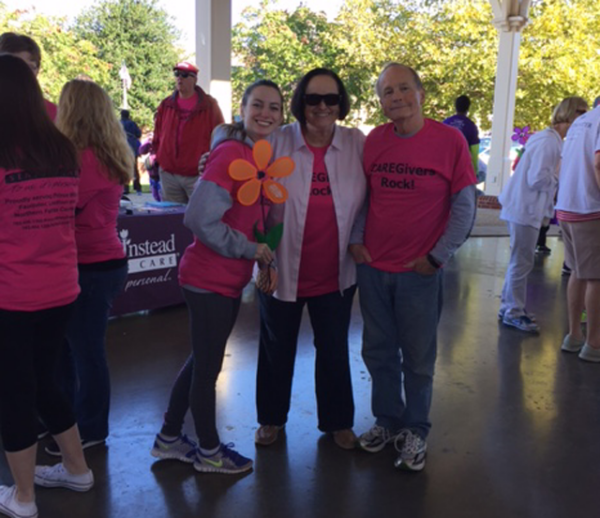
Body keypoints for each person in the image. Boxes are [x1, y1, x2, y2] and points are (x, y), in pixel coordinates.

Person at [151, 79, 283, 474]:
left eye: (274, 107)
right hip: (208, 280)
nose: (266, 113)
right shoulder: (231, 155)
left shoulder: (254, 156)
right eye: (257, 104)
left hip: (224, 279)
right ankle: (209, 451)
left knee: (200, 361)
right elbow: (197, 217)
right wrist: (249, 250)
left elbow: (246, 218)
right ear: (242, 109)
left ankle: (169, 437)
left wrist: (261, 258)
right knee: (207, 370)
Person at [349, 63, 476, 471]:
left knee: (418, 358)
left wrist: (438, 256)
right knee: (378, 351)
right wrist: (356, 239)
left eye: (404, 88)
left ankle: (415, 430)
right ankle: (387, 421)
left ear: (421, 93)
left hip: (419, 273)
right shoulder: (374, 141)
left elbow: (464, 206)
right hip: (373, 268)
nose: (396, 97)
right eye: (387, 92)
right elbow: (364, 198)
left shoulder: (449, 141)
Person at [0, 54, 93, 518]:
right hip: (59, 290)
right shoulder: (61, 150)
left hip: (12, 296)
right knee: (45, 382)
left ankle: (22, 497)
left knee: (14, 393)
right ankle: (76, 470)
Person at [254, 68, 366, 450]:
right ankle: (270, 419)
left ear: (341, 104)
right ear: (300, 102)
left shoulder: (357, 144)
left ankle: (338, 421)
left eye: (330, 99)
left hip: (335, 272)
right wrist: (213, 153)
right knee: (275, 348)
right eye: (313, 98)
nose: (321, 107)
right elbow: (234, 145)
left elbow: (375, 197)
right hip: (280, 268)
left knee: (334, 349)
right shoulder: (277, 140)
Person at [41, 80, 133, 457]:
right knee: (69, 349)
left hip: (90, 268)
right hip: (96, 263)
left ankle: (90, 427)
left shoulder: (86, 159)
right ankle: (68, 423)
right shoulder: (106, 152)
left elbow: (57, 207)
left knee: (84, 352)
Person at [498, 97, 588, 333]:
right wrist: (560, 180)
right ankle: (513, 312)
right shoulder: (550, 143)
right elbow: (537, 178)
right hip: (524, 209)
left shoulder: (548, 139)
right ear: (572, 115)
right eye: (582, 113)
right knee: (522, 262)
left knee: (519, 261)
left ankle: (509, 306)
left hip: (521, 207)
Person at [555, 104, 600, 362]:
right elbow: (599, 162)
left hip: (567, 207)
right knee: (596, 277)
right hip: (590, 208)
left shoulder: (579, 124)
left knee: (577, 273)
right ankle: (594, 343)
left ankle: (573, 335)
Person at [152, 61, 224, 203]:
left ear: (195, 79)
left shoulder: (209, 106)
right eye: (177, 74)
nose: (180, 78)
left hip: (197, 175)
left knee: (198, 219)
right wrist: (157, 158)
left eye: (185, 75)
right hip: (169, 174)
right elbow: (158, 135)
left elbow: (221, 136)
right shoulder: (166, 105)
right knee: (170, 220)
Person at [0, 32, 56, 120]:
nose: (22, 73)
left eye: (29, 68)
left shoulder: (52, 114)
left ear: (37, 71)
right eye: (12, 66)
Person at [443, 94, 480, 175]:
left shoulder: (446, 123)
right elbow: (474, 151)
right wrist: (474, 171)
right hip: (462, 170)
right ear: (468, 108)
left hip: (444, 167)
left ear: (455, 106)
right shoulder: (471, 126)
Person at [120, 109, 142, 193]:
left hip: (122, 147)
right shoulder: (132, 124)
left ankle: (125, 188)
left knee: (123, 167)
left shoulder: (118, 124)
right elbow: (138, 134)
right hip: (132, 147)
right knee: (134, 167)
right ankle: (137, 187)